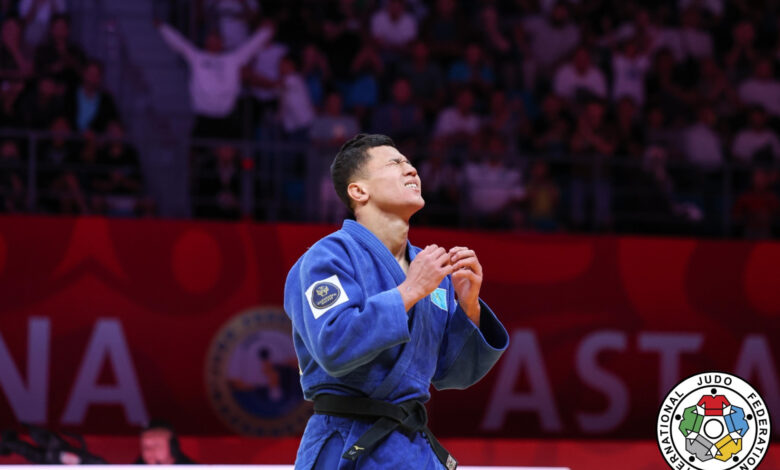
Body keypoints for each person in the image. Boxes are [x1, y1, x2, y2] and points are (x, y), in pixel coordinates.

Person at [283, 133, 508, 469]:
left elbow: (452, 375)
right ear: (359, 191)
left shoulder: (430, 269)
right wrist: (410, 290)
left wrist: (469, 307)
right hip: (346, 445)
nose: (411, 169)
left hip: (412, 450)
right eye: (395, 163)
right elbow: (334, 345)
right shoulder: (327, 258)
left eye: (409, 163)